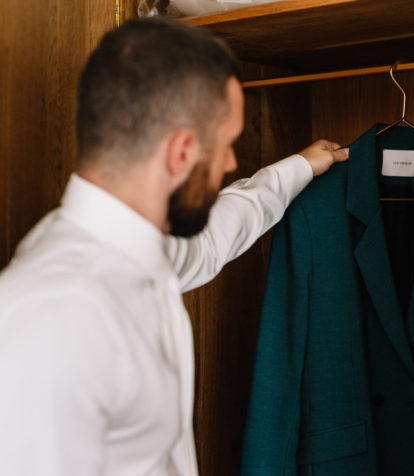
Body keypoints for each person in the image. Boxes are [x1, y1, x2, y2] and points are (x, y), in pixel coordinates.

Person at [0, 17, 347, 476]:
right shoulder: (55, 315)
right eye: (226, 145)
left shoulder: (139, 254)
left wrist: (299, 168)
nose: (230, 163)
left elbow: (219, 233)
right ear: (181, 152)